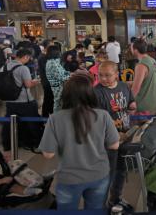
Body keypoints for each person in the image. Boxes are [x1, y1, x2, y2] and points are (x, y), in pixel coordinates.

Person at [39, 74, 119, 210]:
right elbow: (114, 145)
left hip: (69, 177)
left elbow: (48, 154)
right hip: (99, 175)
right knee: (95, 210)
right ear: (90, 93)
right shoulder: (103, 115)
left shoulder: (55, 119)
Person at [94, 61, 136, 210]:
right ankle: (101, 205)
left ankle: (115, 199)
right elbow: (96, 119)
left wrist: (132, 107)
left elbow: (131, 103)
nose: (103, 78)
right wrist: (113, 133)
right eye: (100, 75)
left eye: (107, 75)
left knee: (121, 170)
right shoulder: (96, 92)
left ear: (116, 74)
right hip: (107, 140)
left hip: (125, 135)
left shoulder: (124, 86)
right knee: (107, 173)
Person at [1, 48, 42, 155]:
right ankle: (35, 142)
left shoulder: (5, 66)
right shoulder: (23, 68)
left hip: (10, 100)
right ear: (26, 57)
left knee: (10, 123)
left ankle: (9, 143)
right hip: (24, 100)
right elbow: (28, 85)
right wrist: (35, 82)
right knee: (33, 121)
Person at [130, 39, 156, 114]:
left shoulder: (141, 65)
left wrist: (128, 103)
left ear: (135, 50)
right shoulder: (153, 61)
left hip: (142, 105)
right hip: (152, 102)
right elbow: (147, 79)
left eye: (131, 48)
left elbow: (135, 88)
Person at [46, 46, 71, 112]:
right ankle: (56, 119)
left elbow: (63, 71)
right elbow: (61, 77)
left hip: (59, 86)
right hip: (57, 87)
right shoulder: (52, 63)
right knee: (58, 104)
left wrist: (70, 73)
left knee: (59, 104)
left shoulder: (54, 61)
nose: (60, 53)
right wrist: (71, 76)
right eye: (58, 51)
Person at [38, 43, 54, 117]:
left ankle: (48, 114)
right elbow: (47, 68)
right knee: (48, 98)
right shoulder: (43, 57)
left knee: (49, 98)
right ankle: (45, 116)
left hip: (47, 80)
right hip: (47, 81)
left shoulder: (45, 56)